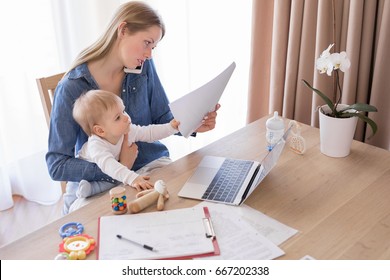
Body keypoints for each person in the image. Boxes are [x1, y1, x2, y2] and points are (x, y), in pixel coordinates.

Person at [46, 1, 220, 214]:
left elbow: (161, 116)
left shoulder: (143, 67)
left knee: (191, 210)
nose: (149, 55)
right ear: (123, 30)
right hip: (99, 183)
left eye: (153, 47)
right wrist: (119, 167)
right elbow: (57, 165)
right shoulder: (72, 87)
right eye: (147, 43)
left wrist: (192, 124)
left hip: (152, 166)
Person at [72, 89, 180, 198]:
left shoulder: (126, 130)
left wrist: (171, 127)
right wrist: (133, 178)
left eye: (123, 111)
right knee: (111, 178)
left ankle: (90, 188)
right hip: (94, 174)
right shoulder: (96, 145)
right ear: (100, 131)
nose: (126, 117)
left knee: (116, 176)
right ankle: (90, 188)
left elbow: (149, 132)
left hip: (114, 167)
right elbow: (109, 165)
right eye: (118, 117)